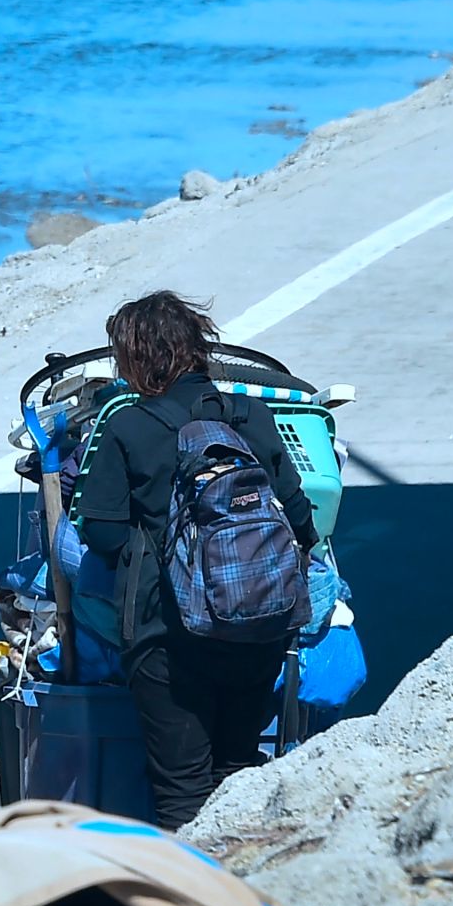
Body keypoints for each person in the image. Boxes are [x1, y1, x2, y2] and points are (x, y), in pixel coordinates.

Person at [76, 291, 318, 830]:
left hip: (169, 634)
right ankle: (246, 885)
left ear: (137, 359)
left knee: (182, 790)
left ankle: (190, 897)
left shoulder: (128, 427)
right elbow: (300, 515)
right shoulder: (250, 415)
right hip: (258, 625)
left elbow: (103, 532)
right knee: (237, 769)